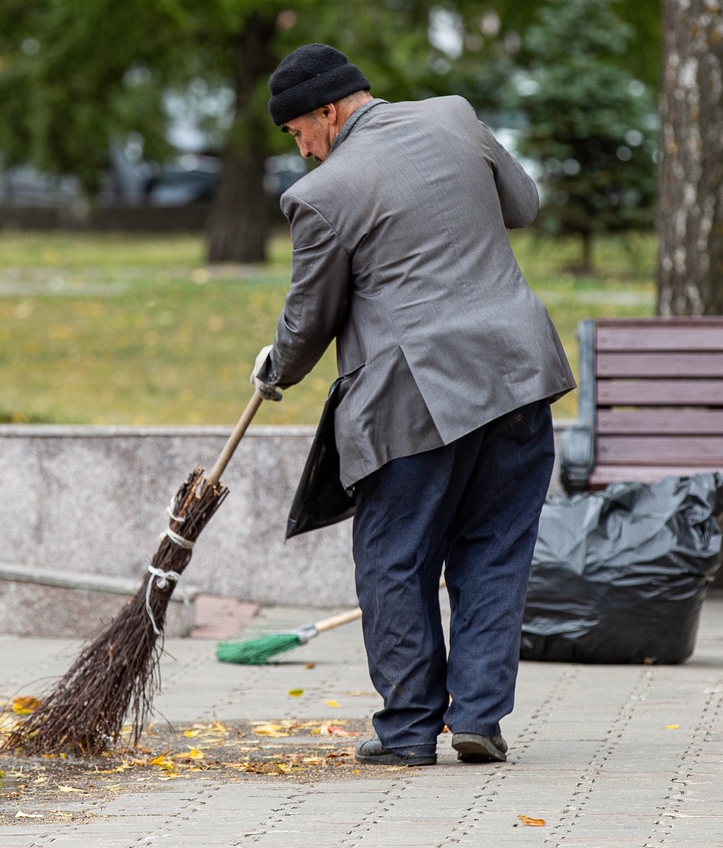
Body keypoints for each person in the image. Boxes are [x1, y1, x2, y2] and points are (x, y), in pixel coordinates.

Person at [250, 43, 576, 766]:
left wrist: (275, 369)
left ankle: (405, 732)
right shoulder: (456, 117)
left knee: (393, 557)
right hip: (517, 373)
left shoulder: (323, 195)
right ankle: (480, 719)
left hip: (415, 396)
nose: (301, 150)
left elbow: (310, 317)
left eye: (297, 131)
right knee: (496, 548)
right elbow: (522, 204)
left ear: (327, 111)